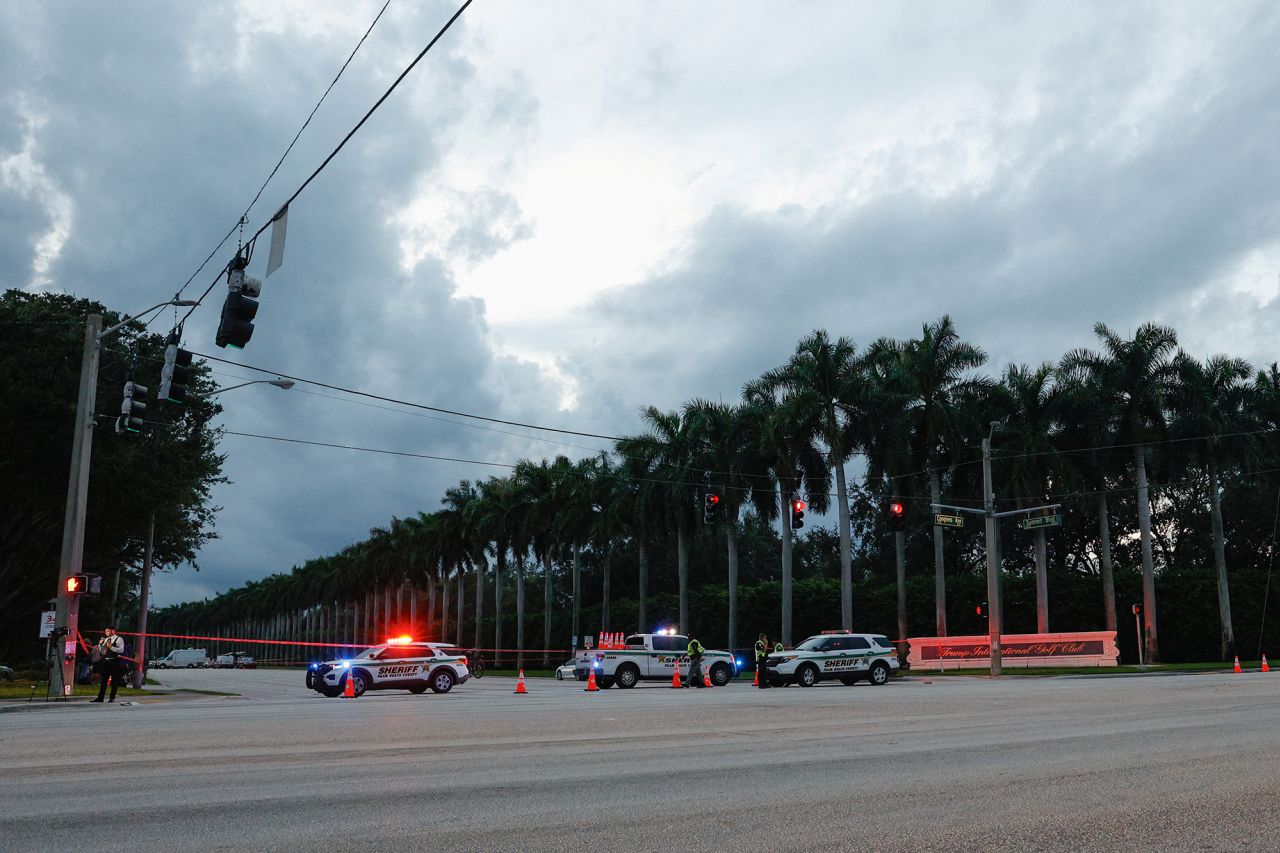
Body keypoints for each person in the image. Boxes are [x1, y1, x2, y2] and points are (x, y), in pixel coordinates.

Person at [92, 626, 125, 703]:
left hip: (114, 662)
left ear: (113, 631)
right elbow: (102, 651)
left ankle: (112, 698)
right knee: (103, 680)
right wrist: (100, 644)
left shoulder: (119, 639)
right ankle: (100, 698)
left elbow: (121, 650)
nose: (106, 632)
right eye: (105, 631)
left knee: (114, 681)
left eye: (107, 631)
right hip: (106, 661)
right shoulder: (106, 639)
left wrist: (111, 647)